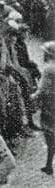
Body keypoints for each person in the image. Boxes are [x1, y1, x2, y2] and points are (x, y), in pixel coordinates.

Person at [31, 41, 55, 175]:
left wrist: (32, 97)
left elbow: (42, 90)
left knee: (50, 134)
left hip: (49, 106)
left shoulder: (48, 69)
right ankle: (48, 164)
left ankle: (49, 164)